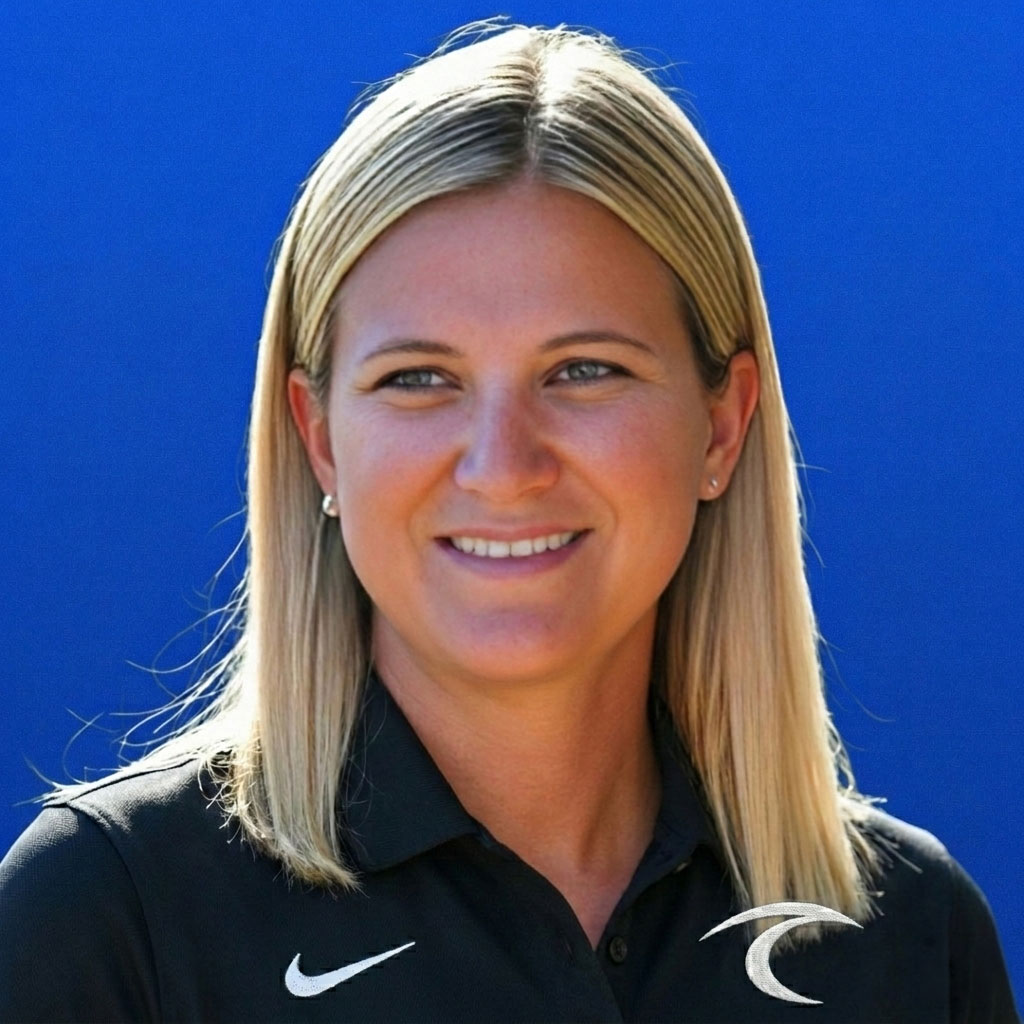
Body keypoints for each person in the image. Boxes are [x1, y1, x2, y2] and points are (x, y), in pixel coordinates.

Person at [0, 19, 1018, 1023]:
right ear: (319, 438)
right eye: (418, 378)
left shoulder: (907, 938)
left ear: (721, 425)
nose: (502, 466)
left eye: (584, 370)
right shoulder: (114, 917)